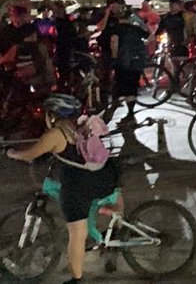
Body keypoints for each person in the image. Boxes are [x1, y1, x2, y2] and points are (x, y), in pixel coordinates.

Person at [8, 94, 121, 284]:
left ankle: (76, 279)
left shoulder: (55, 134)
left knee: (77, 233)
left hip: (79, 184)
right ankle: (111, 233)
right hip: (103, 176)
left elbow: (30, 155)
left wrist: (12, 153)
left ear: (52, 115)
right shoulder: (78, 127)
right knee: (92, 209)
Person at [108, 6, 148, 124]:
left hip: (123, 61)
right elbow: (149, 36)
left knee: (121, 84)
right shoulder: (136, 28)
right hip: (137, 61)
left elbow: (114, 43)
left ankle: (115, 109)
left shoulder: (116, 29)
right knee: (132, 87)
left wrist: (114, 58)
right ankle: (130, 113)